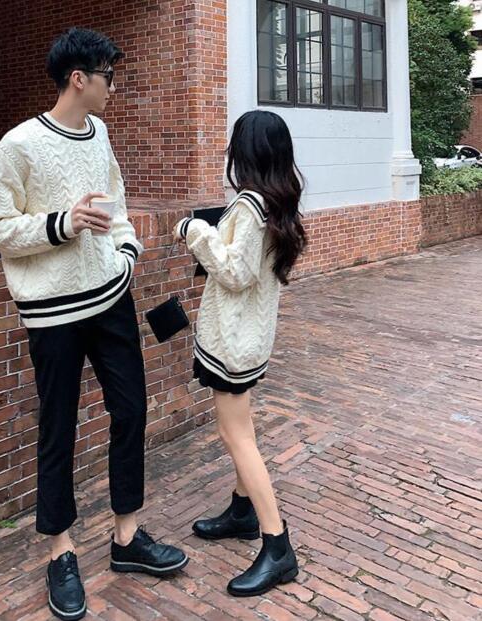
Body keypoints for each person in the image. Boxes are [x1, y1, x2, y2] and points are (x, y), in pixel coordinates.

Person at [0, 27, 188, 621]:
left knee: (132, 410)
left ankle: (127, 537)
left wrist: (127, 251)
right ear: (78, 78)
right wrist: (60, 224)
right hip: (53, 312)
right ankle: (60, 551)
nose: (113, 88)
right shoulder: (20, 145)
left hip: (111, 298)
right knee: (59, 426)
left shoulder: (101, 134)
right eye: (108, 77)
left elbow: (116, 201)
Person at [173, 110, 307, 597]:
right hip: (250, 337)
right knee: (242, 429)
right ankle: (242, 510)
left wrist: (194, 230)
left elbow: (234, 272)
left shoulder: (251, 206)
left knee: (237, 437)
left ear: (245, 151)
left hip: (232, 341)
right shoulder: (278, 203)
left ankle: (277, 545)